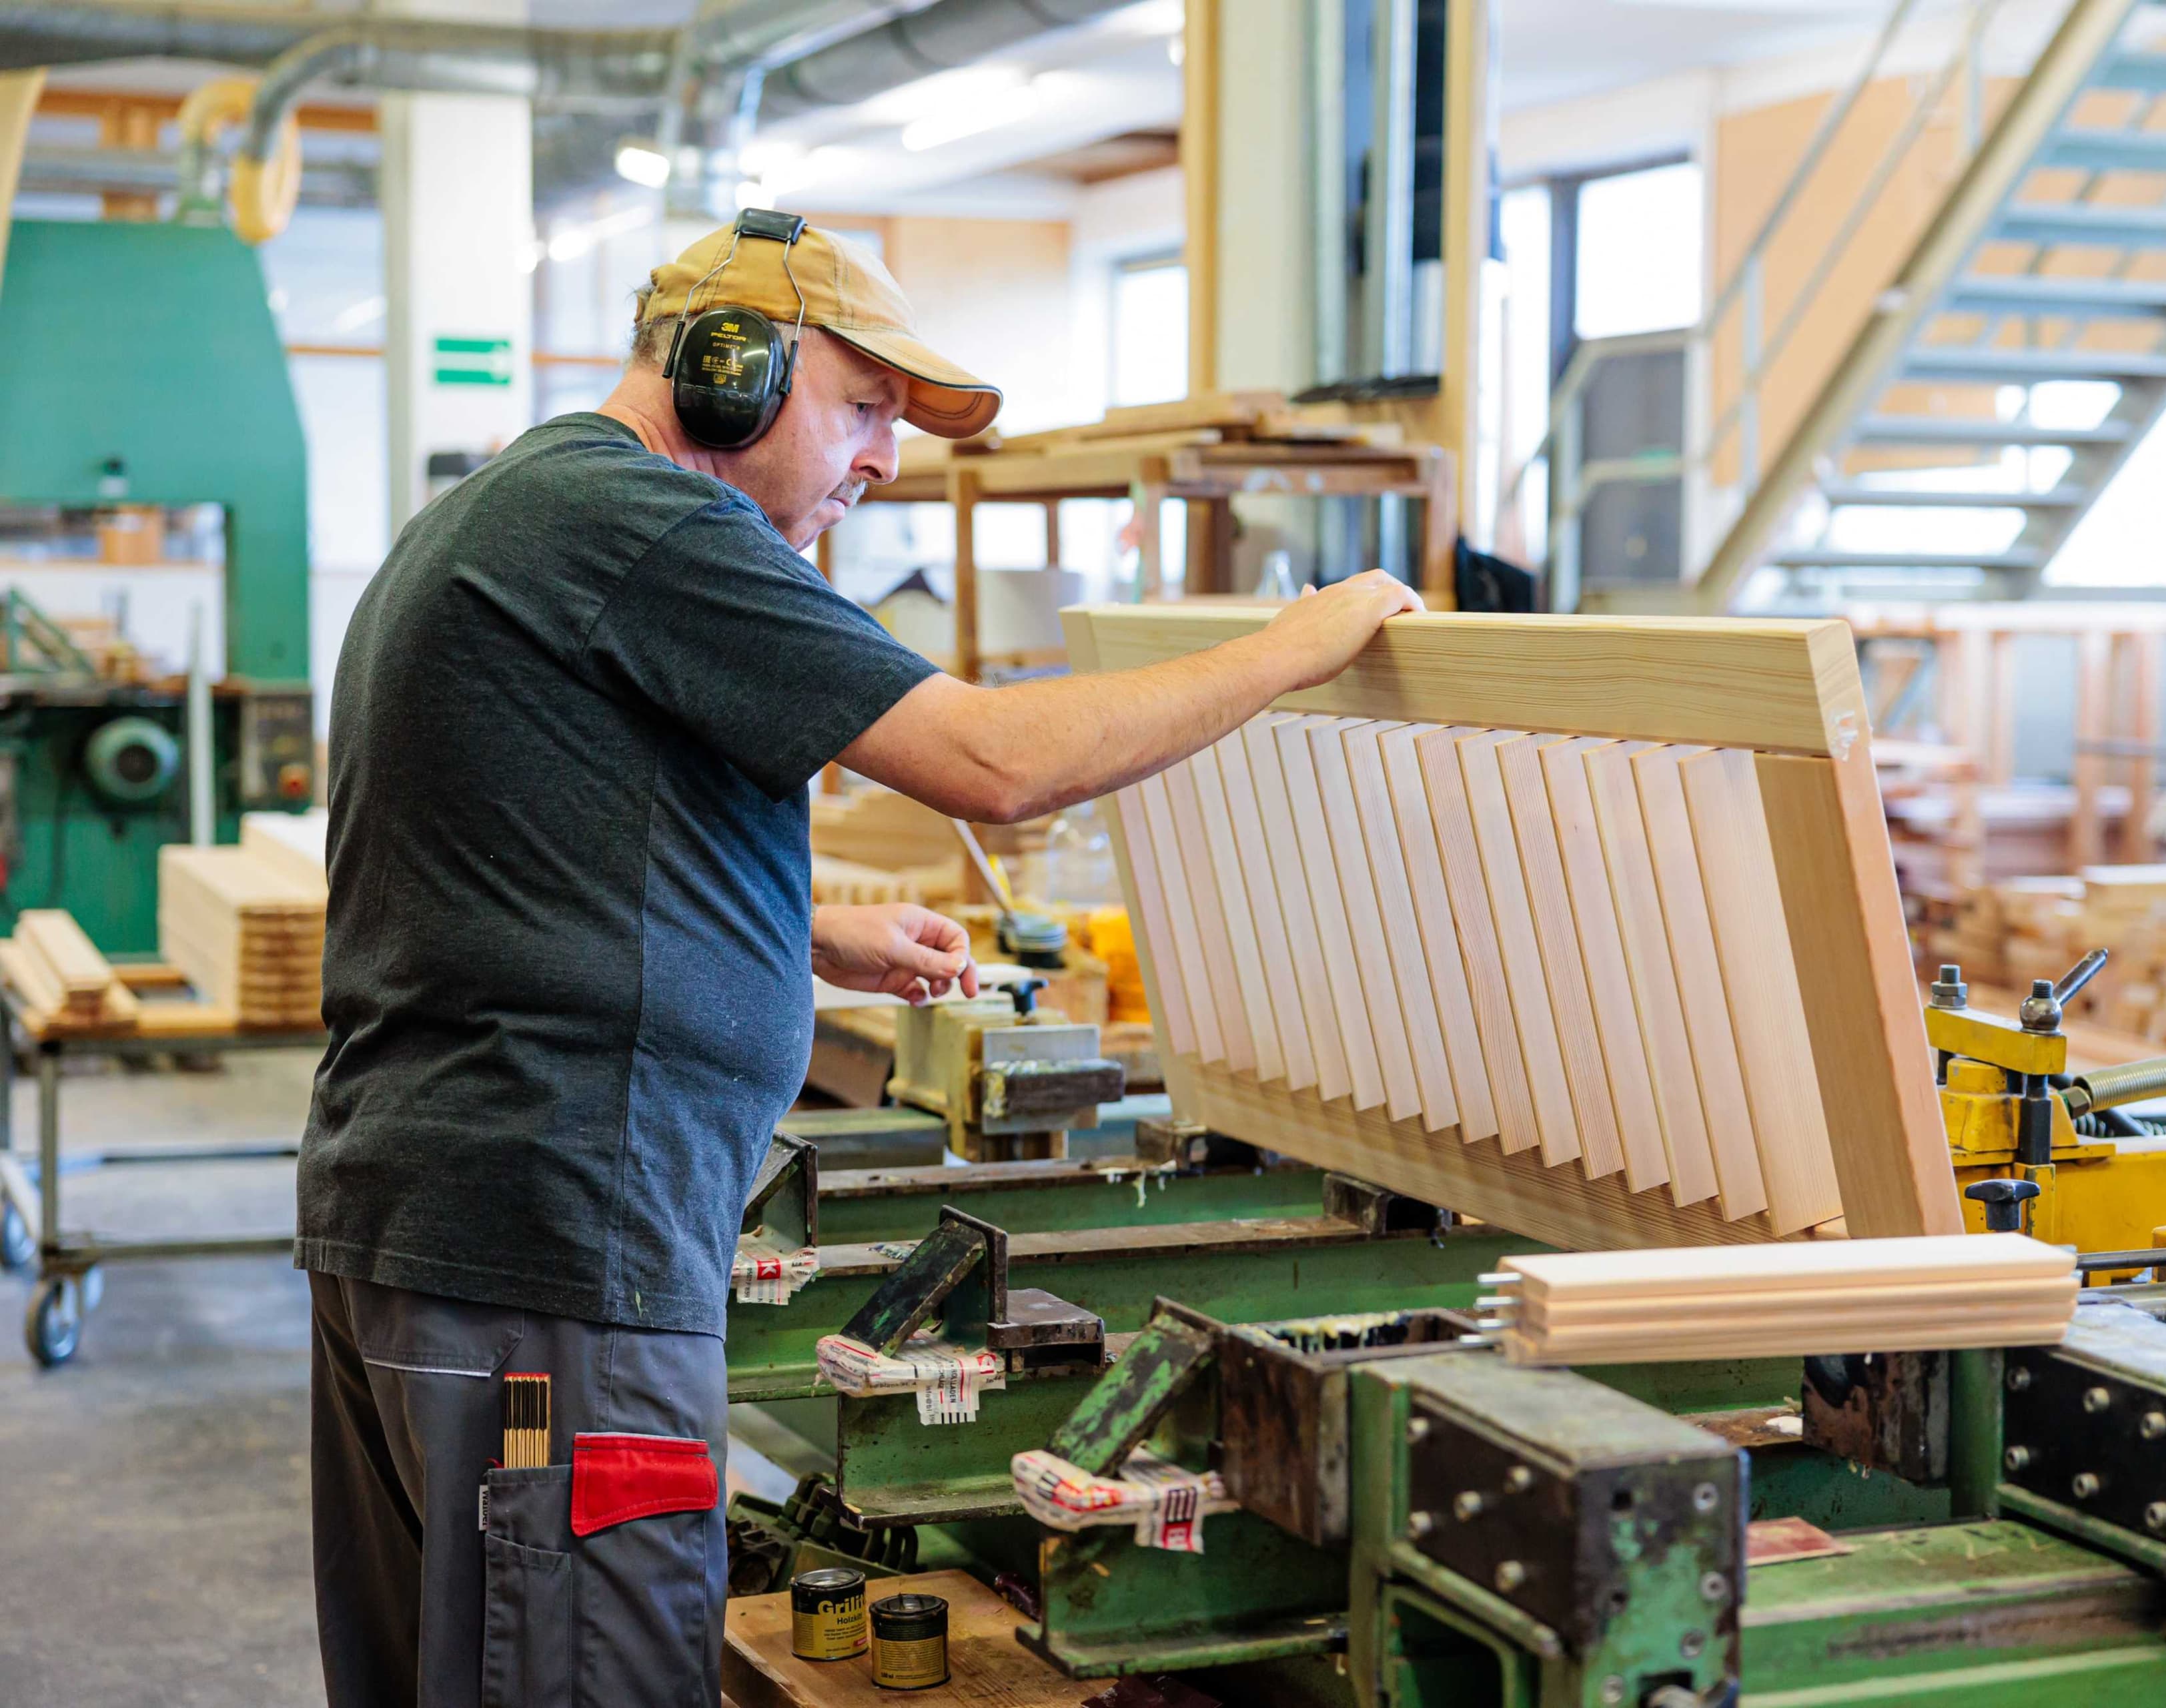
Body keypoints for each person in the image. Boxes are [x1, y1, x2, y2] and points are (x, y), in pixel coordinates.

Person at [296, 211, 1422, 1708]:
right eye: (867, 404)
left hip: (430, 1228)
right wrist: (1299, 639)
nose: (885, 459)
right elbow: (991, 760)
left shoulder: (511, 509)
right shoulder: (640, 522)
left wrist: (806, 935)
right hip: (554, 1256)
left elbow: (500, 861)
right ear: (729, 370)